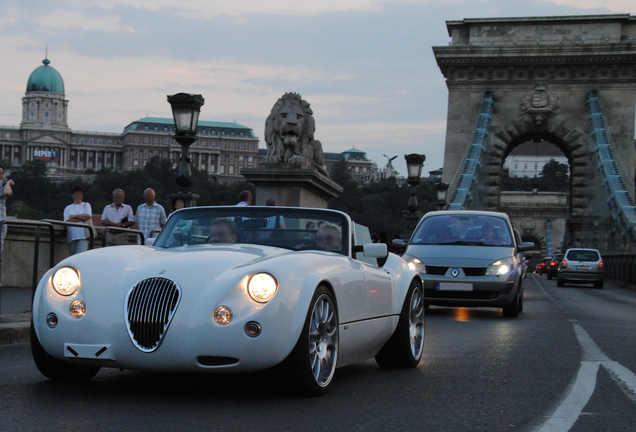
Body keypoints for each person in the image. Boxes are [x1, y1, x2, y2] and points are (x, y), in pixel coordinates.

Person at [63, 185, 92, 255]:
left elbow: (88, 216)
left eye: (80, 193)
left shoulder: (86, 205)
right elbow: (67, 221)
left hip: (83, 236)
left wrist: (75, 216)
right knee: (72, 256)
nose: (78, 195)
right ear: (73, 195)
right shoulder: (68, 208)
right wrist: (81, 218)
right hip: (72, 236)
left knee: (80, 254)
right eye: (76, 193)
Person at [0, 165, 14, 271]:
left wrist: (7, 183)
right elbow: (7, 192)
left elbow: (8, 192)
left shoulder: (3, 186)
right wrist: (8, 183)